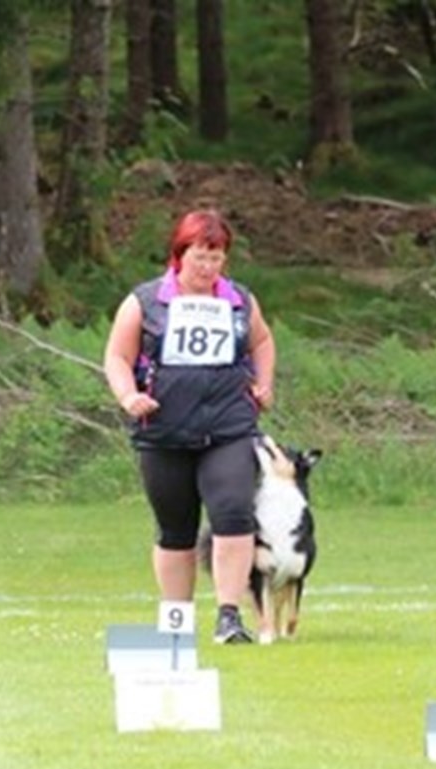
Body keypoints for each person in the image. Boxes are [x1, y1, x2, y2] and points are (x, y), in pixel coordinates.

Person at [103, 209, 276, 643]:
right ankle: (176, 621)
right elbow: (117, 357)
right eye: (200, 257)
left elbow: (263, 341)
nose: (208, 268)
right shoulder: (145, 301)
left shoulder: (239, 300)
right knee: (175, 528)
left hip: (229, 426)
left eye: (216, 258)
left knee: (234, 512)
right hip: (164, 429)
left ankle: (229, 615)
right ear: (179, 255)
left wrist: (264, 382)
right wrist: (129, 397)